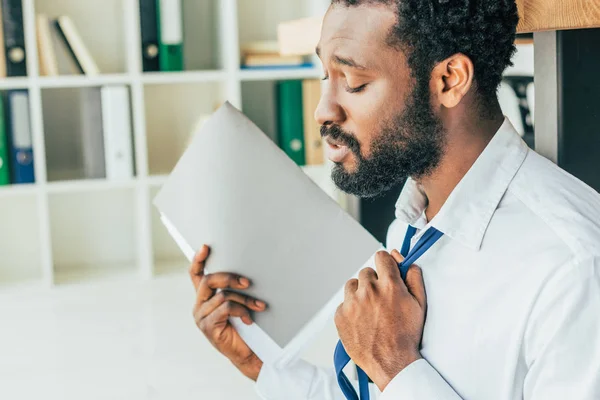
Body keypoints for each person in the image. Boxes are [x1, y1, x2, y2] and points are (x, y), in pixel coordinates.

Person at [188, 0, 600, 399]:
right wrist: (260, 366)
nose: (322, 110)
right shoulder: (411, 221)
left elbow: (393, 377)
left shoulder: (573, 267)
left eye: (353, 83)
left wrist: (395, 367)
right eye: (323, 76)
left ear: (449, 80)